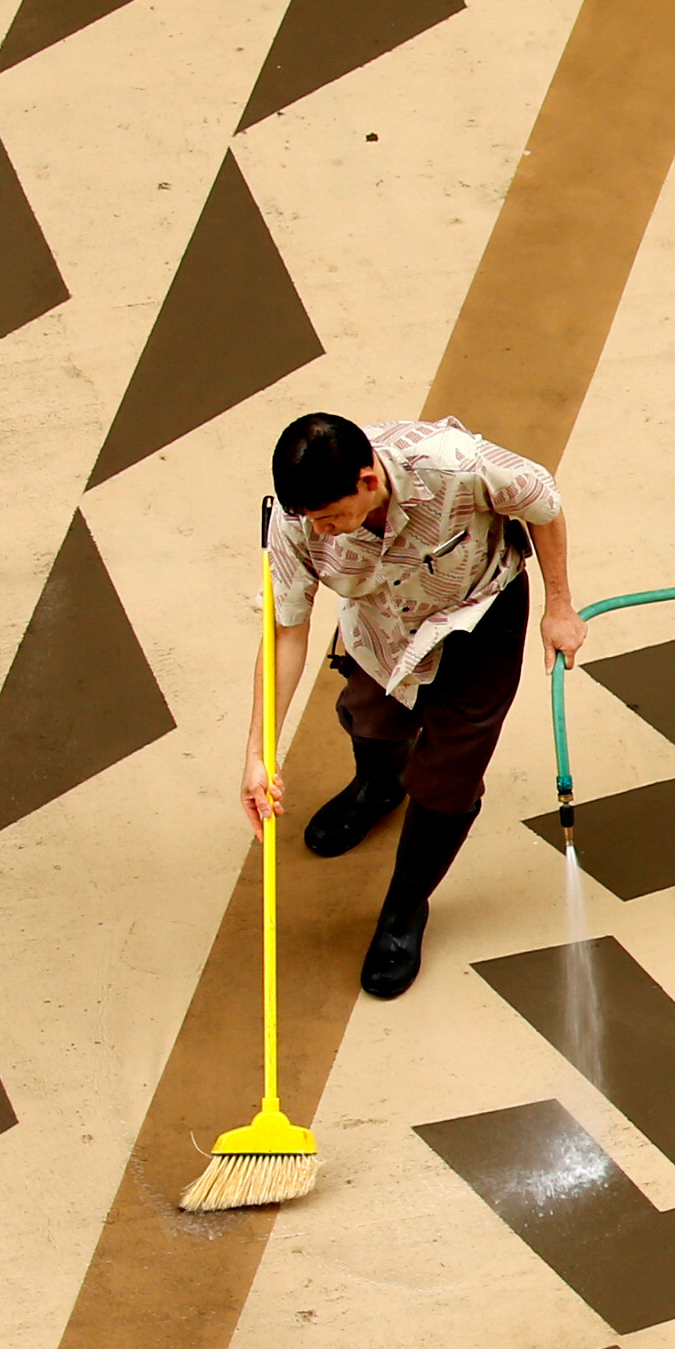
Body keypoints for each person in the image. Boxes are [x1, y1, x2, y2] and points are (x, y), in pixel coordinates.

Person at [239, 411, 585, 997]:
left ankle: (404, 909)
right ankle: (377, 786)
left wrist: (559, 606)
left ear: (369, 480)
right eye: (311, 522)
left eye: (331, 519)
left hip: (479, 616)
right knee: (367, 715)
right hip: (381, 625)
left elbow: (544, 501)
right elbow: (285, 635)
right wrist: (258, 753)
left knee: (447, 777)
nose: (322, 533)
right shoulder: (298, 524)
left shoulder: (454, 463)